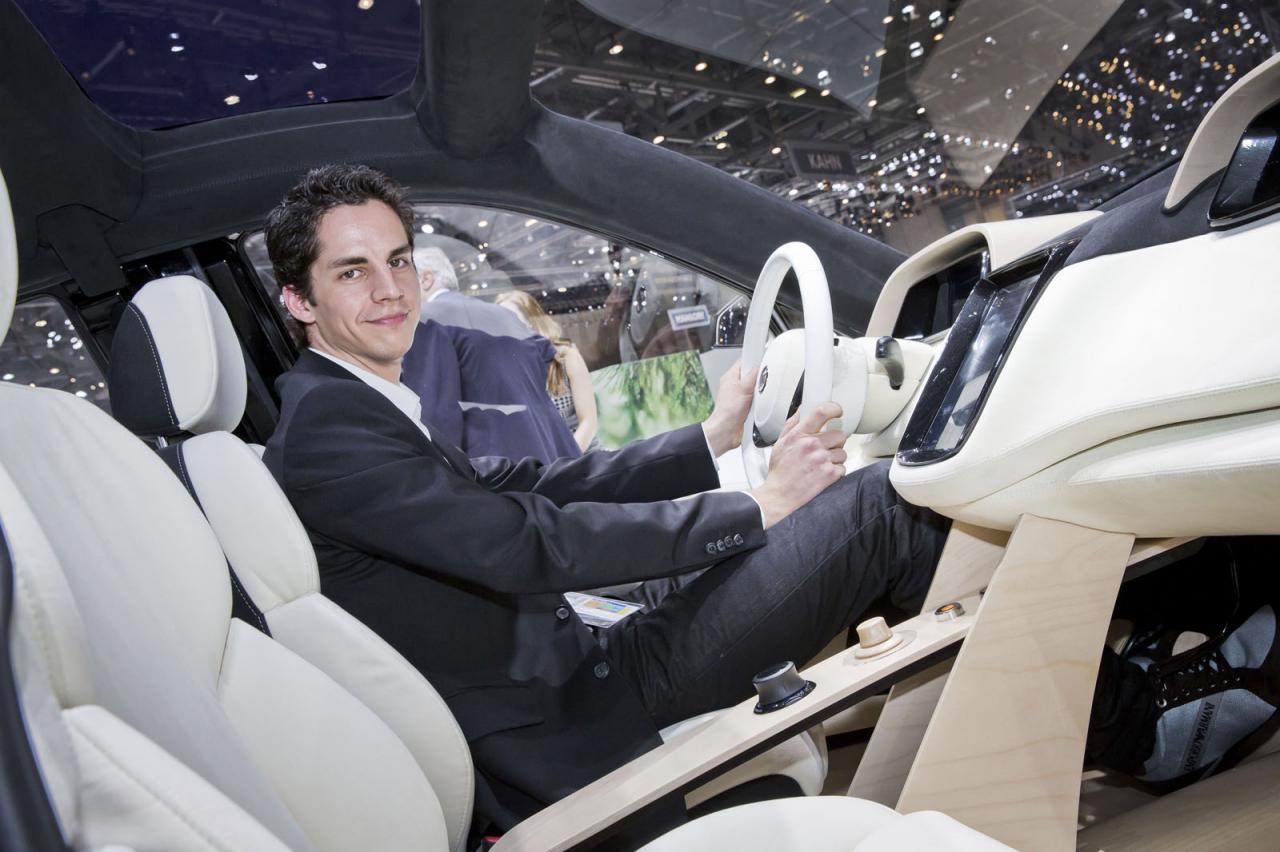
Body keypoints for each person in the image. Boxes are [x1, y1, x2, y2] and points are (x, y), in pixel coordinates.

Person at [260, 165, 1279, 838]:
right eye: (352, 272)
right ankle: (1144, 723)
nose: (390, 289)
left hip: (581, 666)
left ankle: (1135, 673)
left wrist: (707, 441)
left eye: (399, 259)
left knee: (871, 512)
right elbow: (520, 542)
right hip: (582, 709)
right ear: (298, 300)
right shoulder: (327, 432)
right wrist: (759, 509)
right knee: (885, 510)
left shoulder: (352, 406)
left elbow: (536, 484)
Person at [401, 246, 581, 462]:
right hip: (549, 455)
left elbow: (437, 414)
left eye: (404, 279)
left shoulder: (428, 319)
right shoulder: (505, 315)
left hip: (492, 466)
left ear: (425, 279)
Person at [496, 290, 599, 452]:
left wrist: (566, 459)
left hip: (581, 453)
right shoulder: (504, 369)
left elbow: (588, 422)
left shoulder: (566, 357)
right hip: (541, 460)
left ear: (532, 322)